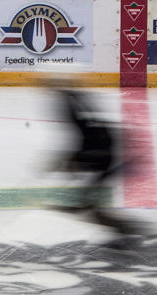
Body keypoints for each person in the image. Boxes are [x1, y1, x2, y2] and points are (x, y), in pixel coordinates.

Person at [47, 76, 148, 247]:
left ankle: (127, 228)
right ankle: (125, 228)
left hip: (111, 160)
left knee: (89, 207)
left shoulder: (87, 141)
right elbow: (79, 115)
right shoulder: (87, 129)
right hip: (111, 156)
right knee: (89, 205)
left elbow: (94, 156)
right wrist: (68, 94)